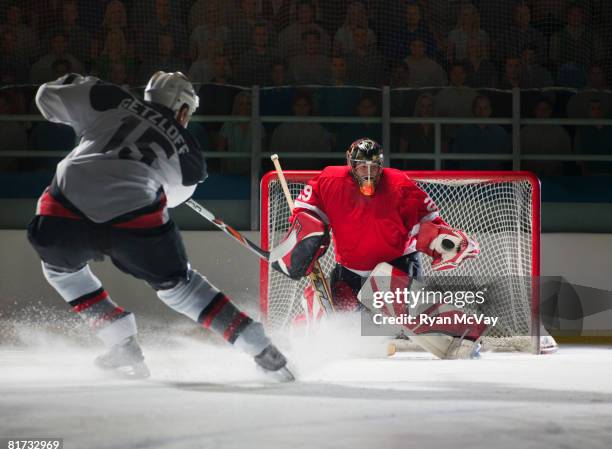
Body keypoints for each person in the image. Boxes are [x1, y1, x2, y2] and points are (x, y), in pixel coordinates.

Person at [27, 71, 292, 380]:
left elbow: (46, 96)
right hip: (134, 213)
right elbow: (174, 196)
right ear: (182, 110)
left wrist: (81, 95)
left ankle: (120, 340)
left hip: (65, 209)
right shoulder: (191, 156)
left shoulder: (111, 99)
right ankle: (259, 346)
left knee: (60, 270)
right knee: (180, 286)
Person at [271, 138, 486, 359]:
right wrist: (305, 236)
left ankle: (466, 334)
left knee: (398, 306)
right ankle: (296, 340)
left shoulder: (399, 184)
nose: (368, 171)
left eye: (374, 166)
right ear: (351, 164)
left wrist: (443, 240)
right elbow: (305, 210)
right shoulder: (330, 180)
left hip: (396, 264)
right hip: (350, 270)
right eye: (362, 166)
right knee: (330, 308)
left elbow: (429, 222)